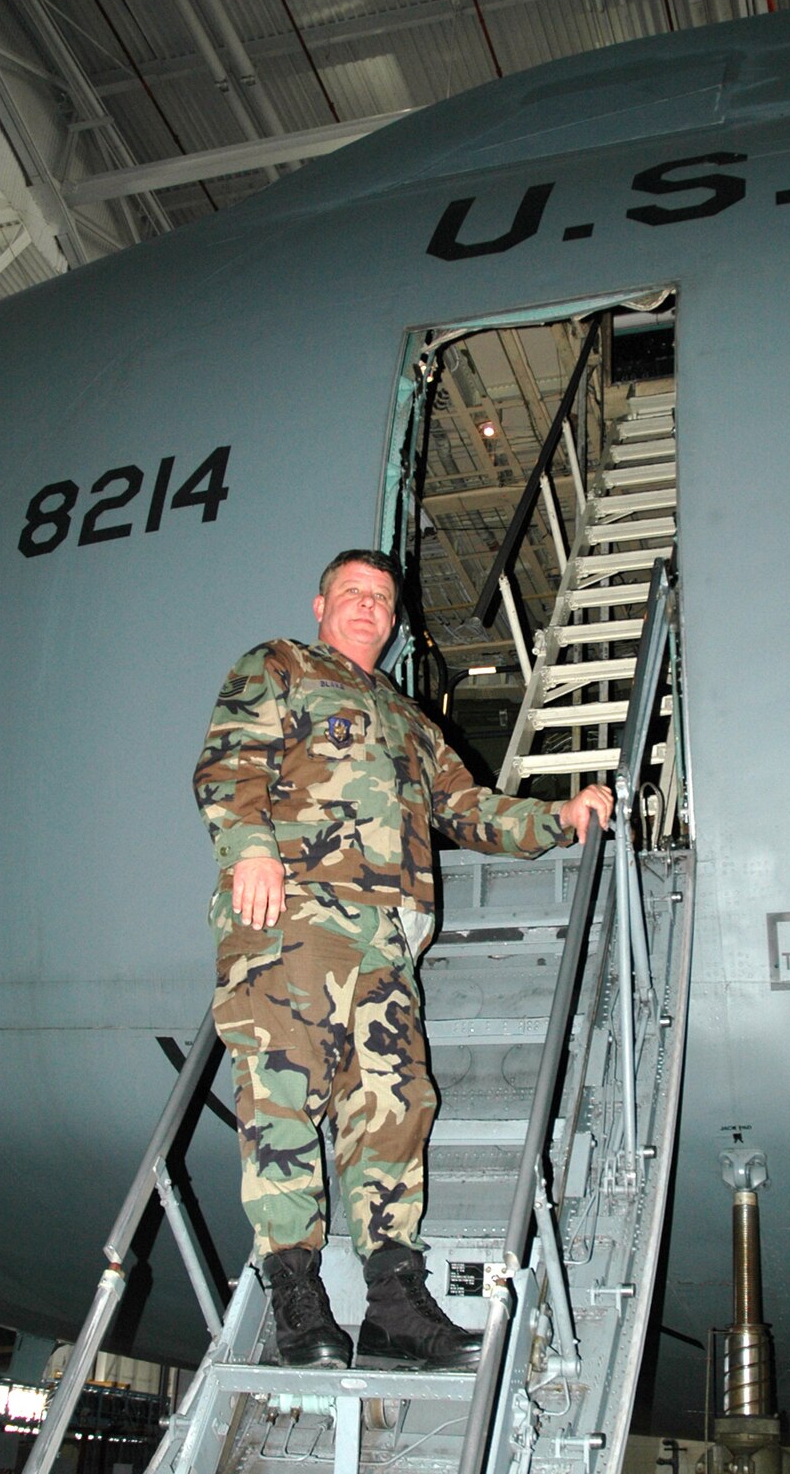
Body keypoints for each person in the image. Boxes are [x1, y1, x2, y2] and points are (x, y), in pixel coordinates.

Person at [194, 548, 613, 1371]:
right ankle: (298, 1297)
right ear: (321, 606)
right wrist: (250, 850)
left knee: (394, 1107)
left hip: (387, 941)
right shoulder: (279, 665)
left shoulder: (411, 720)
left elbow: (470, 809)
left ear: (392, 622)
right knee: (284, 1101)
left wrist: (557, 818)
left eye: (382, 601)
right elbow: (230, 760)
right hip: (296, 915)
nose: (367, 607)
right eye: (352, 593)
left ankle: (393, 1305)